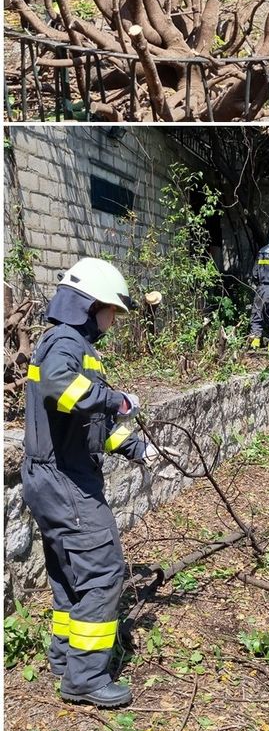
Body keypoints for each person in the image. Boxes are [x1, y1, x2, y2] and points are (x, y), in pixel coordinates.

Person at [22, 257, 152, 708]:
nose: (114, 320)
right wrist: (116, 399)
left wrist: (138, 449)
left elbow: (85, 424)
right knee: (103, 570)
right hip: (65, 480)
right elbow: (62, 387)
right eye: (111, 310)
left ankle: (66, 659)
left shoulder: (74, 344)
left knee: (69, 572)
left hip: (55, 473)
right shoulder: (64, 343)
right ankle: (85, 678)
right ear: (88, 304)